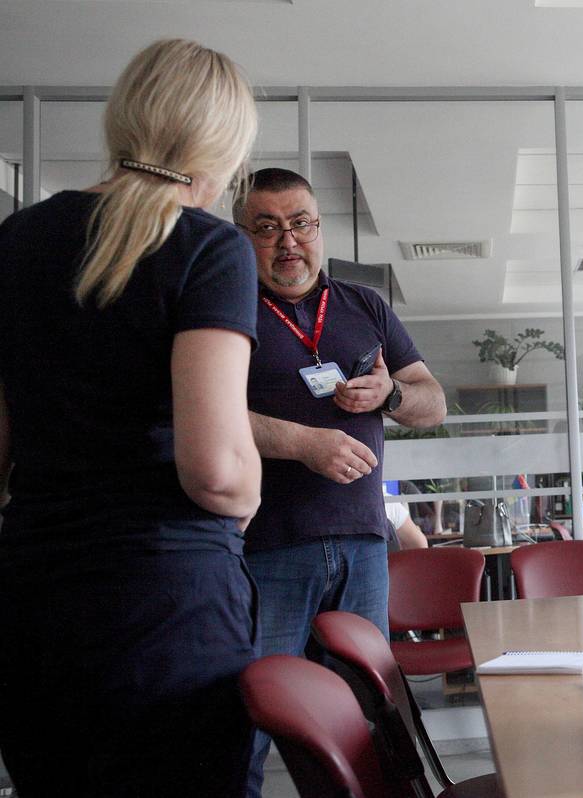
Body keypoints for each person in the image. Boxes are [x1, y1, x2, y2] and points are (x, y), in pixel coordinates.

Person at [0, 39, 261, 796]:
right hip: (164, 605)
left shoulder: (15, 242)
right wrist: (246, 498)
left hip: (32, 596)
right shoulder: (208, 247)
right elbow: (214, 470)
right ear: (224, 145)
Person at [233, 168, 446, 797]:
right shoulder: (227, 307)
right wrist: (303, 444)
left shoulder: (364, 306)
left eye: (299, 223)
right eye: (266, 227)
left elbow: (433, 404)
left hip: (362, 548)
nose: (287, 241)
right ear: (245, 238)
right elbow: (202, 413)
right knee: (250, 722)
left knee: (369, 720)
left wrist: (392, 391)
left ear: (320, 229)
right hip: (264, 551)